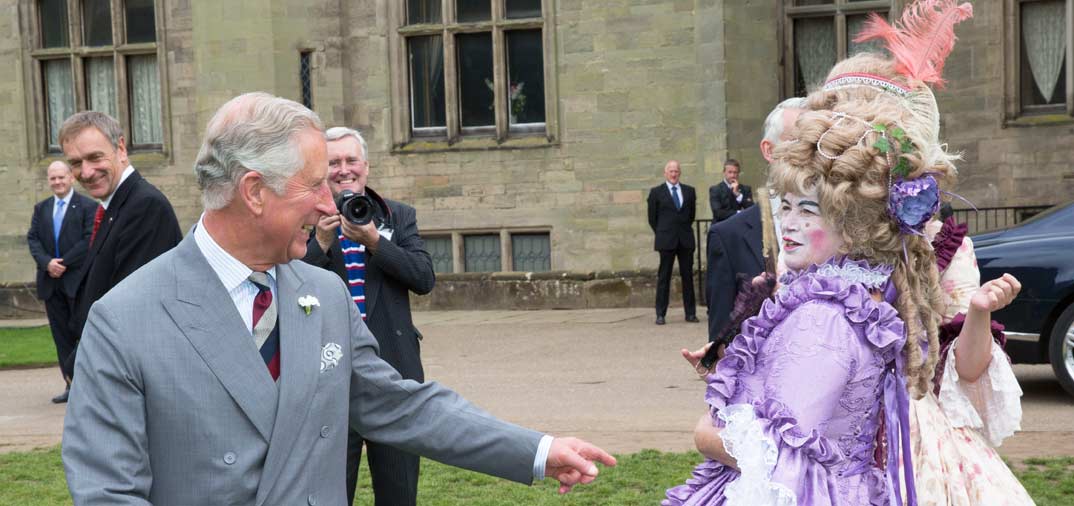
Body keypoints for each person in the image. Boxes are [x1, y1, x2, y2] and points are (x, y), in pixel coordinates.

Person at [62, 92, 615, 506]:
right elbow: (108, 493)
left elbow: (399, 405)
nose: (333, 200)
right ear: (254, 192)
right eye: (315, 185)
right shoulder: (124, 320)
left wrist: (538, 450)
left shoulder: (322, 293)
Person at [665, 91, 958, 504]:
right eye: (785, 207)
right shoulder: (855, 299)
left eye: (807, 210)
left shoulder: (824, 316)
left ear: (853, 225)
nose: (789, 223)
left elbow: (782, 455)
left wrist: (706, 434)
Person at [301, 127, 433, 506]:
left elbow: (423, 279)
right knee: (328, 494)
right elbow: (289, 288)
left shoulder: (398, 216)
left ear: (366, 167)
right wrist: (320, 244)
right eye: (333, 162)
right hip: (329, 382)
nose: (344, 170)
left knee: (399, 494)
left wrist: (375, 241)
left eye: (351, 160)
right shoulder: (305, 221)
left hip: (393, 375)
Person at [59, 111, 183, 380]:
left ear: (121, 148)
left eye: (94, 157)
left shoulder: (144, 206)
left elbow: (130, 308)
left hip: (131, 374)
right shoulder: (114, 207)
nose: (86, 172)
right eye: (76, 163)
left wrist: (78, 364)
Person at [706, 99, 804, 345]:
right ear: (769, 150)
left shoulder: (844, 231)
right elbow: (718, 352)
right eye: (798, 141)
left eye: (817, 142)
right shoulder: (729, 237)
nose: (810, 153)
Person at [26, 160, 96, 403]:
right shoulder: (41, 208)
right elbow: (33, 239)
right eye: (52, 178)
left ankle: (91, 386)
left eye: (61, 177)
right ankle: (71, 386)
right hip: (51, 283)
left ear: (71, 178)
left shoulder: (88, 206)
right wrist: (48, 263)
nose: (57, 182)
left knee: (85, 335)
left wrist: (63, 262)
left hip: (77, 283)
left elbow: (89, 240)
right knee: (61, 337)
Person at [647, 160, 698, 325]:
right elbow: (652, 219)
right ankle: (660, 314)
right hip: (666, 240)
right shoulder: (656, 192)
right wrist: (664, 232)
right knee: (664, 278)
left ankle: (690, 313)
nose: (674, 174)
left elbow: (690, 215)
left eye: (676, 171)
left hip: (685, 240)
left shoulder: (689, 191)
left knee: (688, 277)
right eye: (671, 171)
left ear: (679, 173)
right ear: (665, 173)